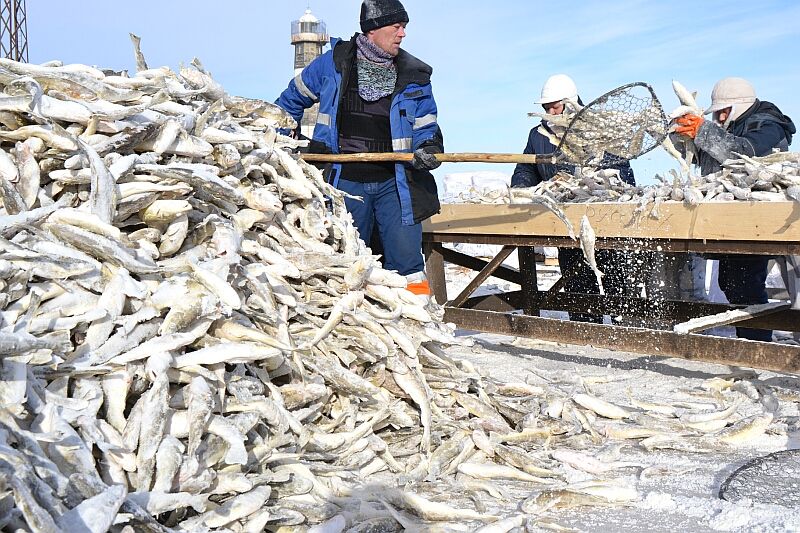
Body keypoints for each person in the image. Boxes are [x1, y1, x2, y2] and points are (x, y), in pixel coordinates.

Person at [275, 0, 443, 299]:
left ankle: (420, 320)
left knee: (408, 263)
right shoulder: (332, 63)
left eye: (404, 27)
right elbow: (290, 100)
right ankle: (355, 321)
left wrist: (428, 146)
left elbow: (426, 123)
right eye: (397, 27)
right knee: (350, 261)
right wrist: (285, 133)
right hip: (344, 183)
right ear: (374, 29)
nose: (402, 34)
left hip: (397, 185)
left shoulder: (415, 74)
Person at [674, 77, 796, 342]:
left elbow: (742, 153)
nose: (718, 118)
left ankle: (756, 346)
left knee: (747, 285)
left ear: (738, 106)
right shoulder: (730, 126)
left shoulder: (767, 124)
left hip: (758, 221)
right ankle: (747, 341)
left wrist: (703, 131)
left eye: (722, 112)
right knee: (730, 283)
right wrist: (682, 138)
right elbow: (709, 158)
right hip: (732, 221)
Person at [511, 75, 637, 323]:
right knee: (576, 278)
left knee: (615, 276)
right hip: (566, 222)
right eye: (546, 107)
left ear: (570, 102)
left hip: (604, 217)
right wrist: (521, 187)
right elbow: (527, 168)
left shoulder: (598, 127)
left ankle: (626, 329)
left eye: (555, 106)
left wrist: (594, 183)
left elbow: (622, 170)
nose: (550, 111)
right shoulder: (537, 135)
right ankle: (585, 328)